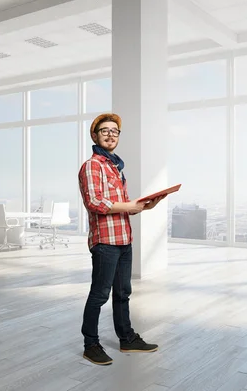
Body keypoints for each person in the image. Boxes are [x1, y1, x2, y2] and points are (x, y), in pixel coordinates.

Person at [78, 113, 165, 366]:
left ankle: (126, 338)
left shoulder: (115, 167)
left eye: (114, 131)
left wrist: (143, 207)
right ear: (95, 136)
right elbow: (94, 202)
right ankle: (90, 344)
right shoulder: (92, 166)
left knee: (123, 293)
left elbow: (120, 206)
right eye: (104, 131)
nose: (110, 135)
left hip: (124, 239)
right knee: (100, 294)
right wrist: (130, 205)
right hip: (105, 241)